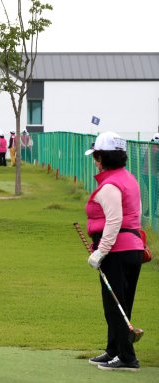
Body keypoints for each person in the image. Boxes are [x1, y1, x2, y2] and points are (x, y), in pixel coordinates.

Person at [84, 131, 144, 371]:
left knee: (114, 306)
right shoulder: (128, 178)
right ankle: (114, 350)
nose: (94, 161)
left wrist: (101, 251)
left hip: (117, 252)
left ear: (102, 157)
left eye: (96, 156)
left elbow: (114, 221)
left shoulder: (110, 185)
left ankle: (128, 357)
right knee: (121, 304)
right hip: (130, 249)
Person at [141, 133, 159, 218]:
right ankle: (150, 213)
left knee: (152, 193)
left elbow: (143, 159)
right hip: (150, 174)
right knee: (154, 194)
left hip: (145, 173)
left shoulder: (149, 147)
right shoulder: (157, 150)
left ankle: (150, 212)